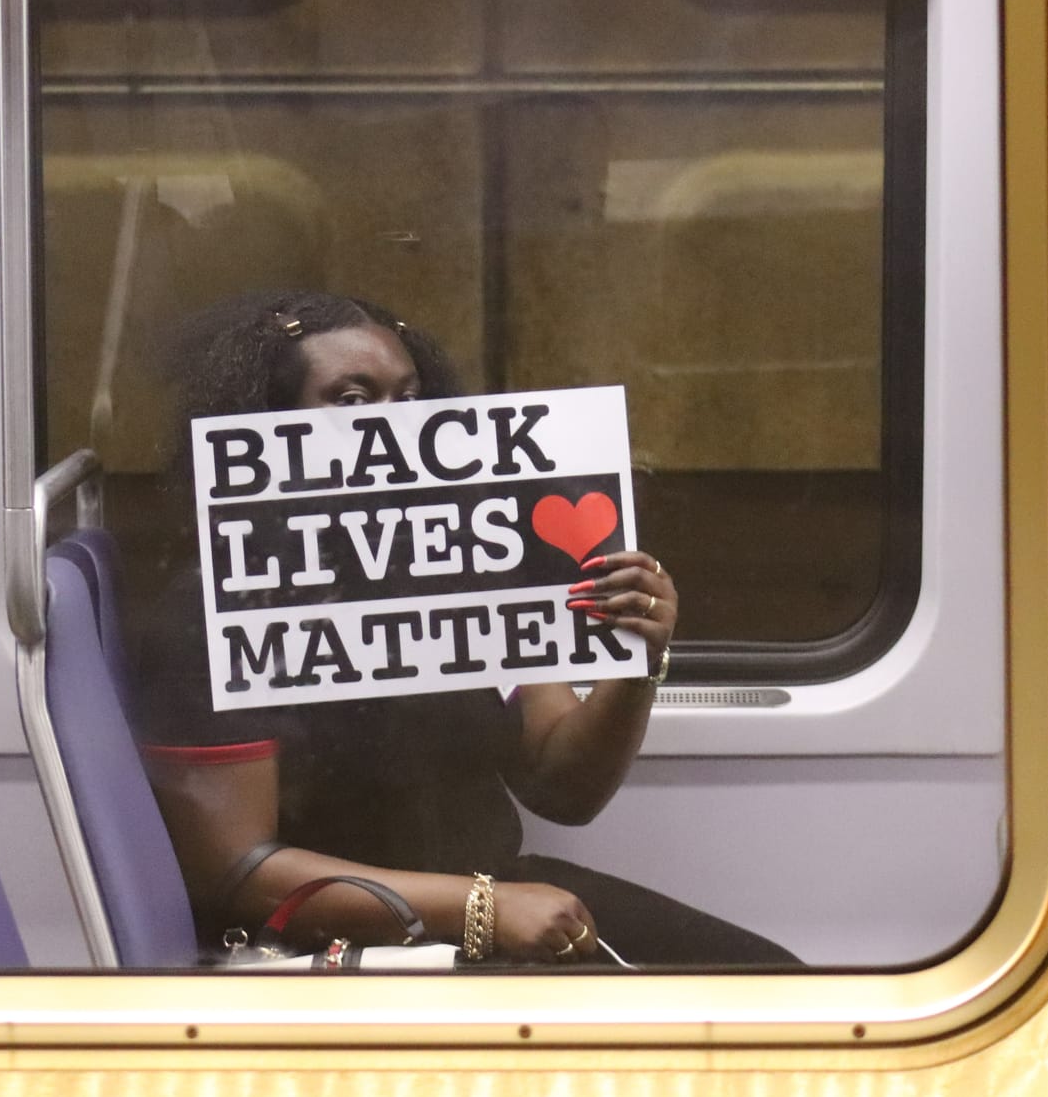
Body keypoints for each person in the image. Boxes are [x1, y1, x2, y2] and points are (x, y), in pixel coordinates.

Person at [127, 290, 799, 967]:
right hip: (351, 946)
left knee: (780, 985)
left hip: (496, 895)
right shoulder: (217, 608)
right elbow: (235, 871)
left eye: (411, 397)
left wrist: (637, 662)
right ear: (267, 426)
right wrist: (483, 907)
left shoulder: (460, 568)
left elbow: (563, 787)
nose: (397, 423)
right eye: (352, 401)